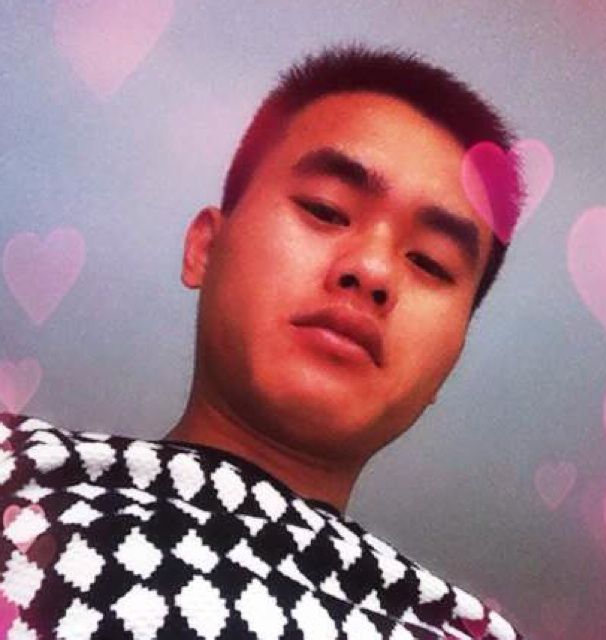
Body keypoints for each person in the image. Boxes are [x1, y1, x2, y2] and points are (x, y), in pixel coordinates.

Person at [0, 45, 525, 639]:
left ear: (450, 360)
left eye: (430, 262)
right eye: (326, 210)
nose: (373, 270)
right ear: (205, 248)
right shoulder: (16, 474)